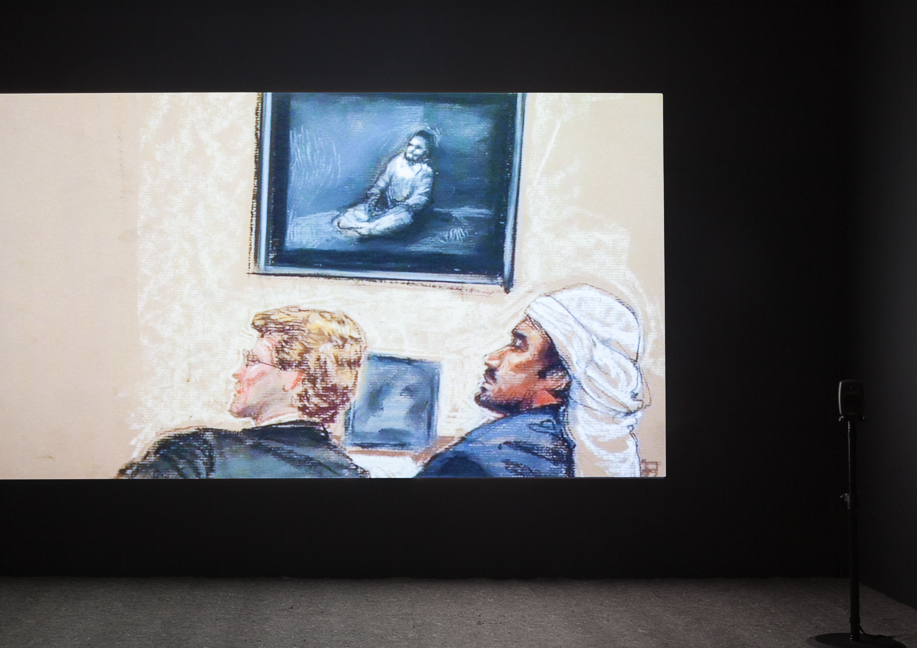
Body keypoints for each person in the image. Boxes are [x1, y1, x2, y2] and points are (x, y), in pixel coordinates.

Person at [418, 285, 647, 478]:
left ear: (559, 377)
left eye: (519, 346)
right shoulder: (576, 445)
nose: (492, 359)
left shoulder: (471, 461)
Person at [118, 308, 370, 478]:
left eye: (251, 361)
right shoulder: (351, 473)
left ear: (295, 376)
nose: (237, 373)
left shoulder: (198, 453)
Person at [334, 131, 435, 238]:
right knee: (351, 215)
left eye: (418, 147)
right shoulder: (397, 161)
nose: (412, 150)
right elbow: (383, 181)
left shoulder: (425, 171)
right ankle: (360, 226)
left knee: (399, 221)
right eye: (410, 145)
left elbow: (421, 197)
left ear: (425, 152)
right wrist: (375, 194)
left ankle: (365, 230)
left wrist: (406, 205)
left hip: (403, 211)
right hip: (384, 205)